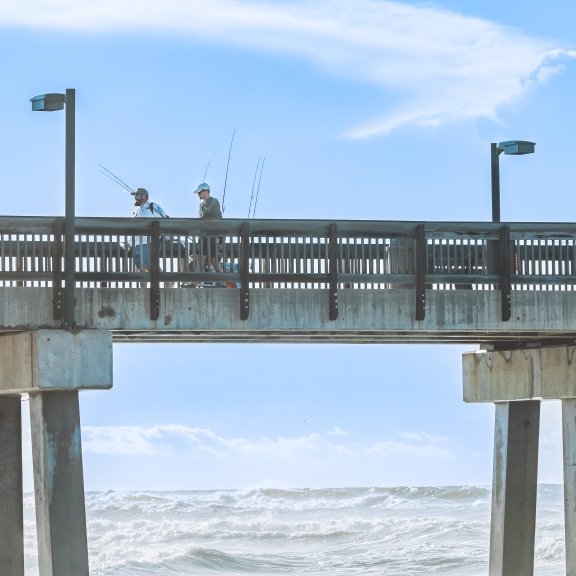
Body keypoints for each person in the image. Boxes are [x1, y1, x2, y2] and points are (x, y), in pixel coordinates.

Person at [131, 187, 172, 286]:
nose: (136, 197)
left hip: (150, 241)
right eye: (135, 195)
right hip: (137, 242)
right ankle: (143, 291)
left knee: (151, 266)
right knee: (140, 268)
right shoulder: (137, 210)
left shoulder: (152, 206)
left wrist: (167, 237)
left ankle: (168, 284)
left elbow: (164, 218)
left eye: (139, 195)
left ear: (145, 196)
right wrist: (129, 243)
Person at [194, 182, 224, 282]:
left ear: (206, 191)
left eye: (200, 192)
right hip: (204, 236)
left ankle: (194, 283)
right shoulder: (202, 205)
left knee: (201, 259)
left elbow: (218, 219)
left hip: (210, 237)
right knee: (213, 260)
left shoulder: (214, 202)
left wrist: (221, 239)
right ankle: (225, 283)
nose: (198, 194)